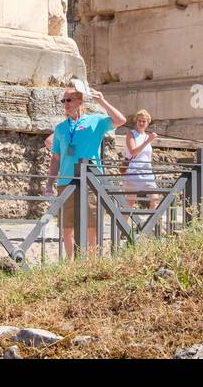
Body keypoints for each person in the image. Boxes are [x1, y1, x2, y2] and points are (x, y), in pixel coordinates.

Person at [45, 85, 127, 258]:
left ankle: (92, 263)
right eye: (63, 101)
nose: (65, 104)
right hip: (66, 181)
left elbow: (121, 120)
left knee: (92, 224)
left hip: (90, 181)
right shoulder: (60, 128)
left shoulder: (95, 121)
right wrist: (49, 184)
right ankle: (70, 264)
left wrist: (102, 101)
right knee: (67, 226)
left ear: (80, 101)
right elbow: (56, 159)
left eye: (69, 100)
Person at [124, 110, 159, 213]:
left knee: (155, 201)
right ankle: (123, 228)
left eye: (144, 121)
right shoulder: (131, 134)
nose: (141, 123)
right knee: (130, 203)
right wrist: (148, 141)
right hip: (133, 172)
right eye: (140, 121)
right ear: (136, 121)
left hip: (147, 173)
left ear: (148, 123)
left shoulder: (148, 137)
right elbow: (133, 152)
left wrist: (148, 140)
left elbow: (147, 157)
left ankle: (147, 226)